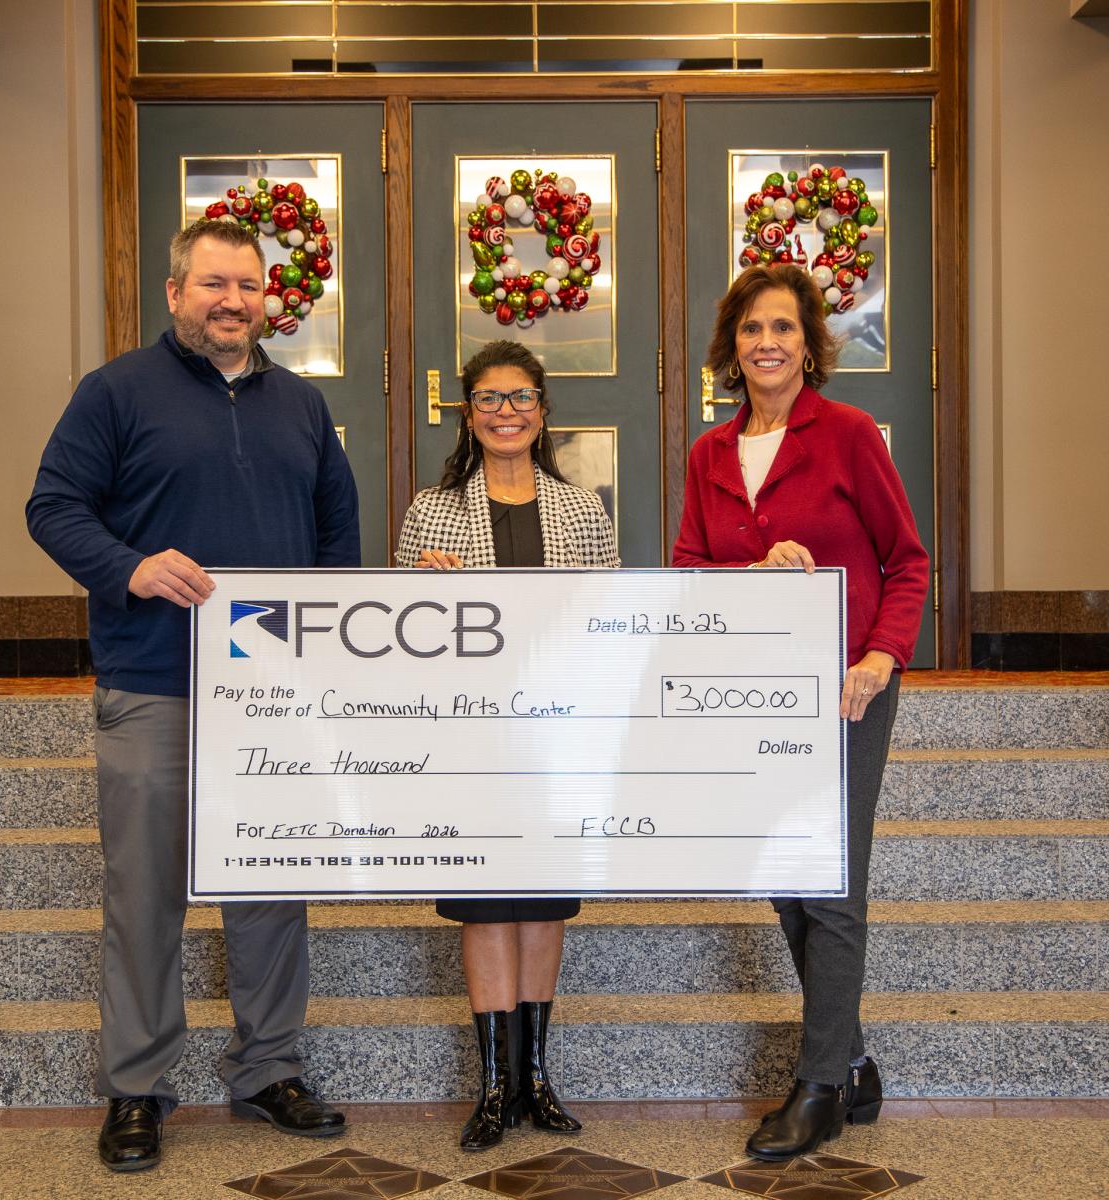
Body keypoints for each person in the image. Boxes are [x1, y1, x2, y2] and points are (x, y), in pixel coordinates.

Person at [26, 218, 360, 1172]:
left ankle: (269, 1070)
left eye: (247, 286)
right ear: (174, 292)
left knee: (272, 891)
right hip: (155, 685)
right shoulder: (115, 393)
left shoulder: (302, 406)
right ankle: (138, 1087)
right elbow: (52, 507)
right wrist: (128, 567)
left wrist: (332, 665)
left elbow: (336, 540)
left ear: (267, 299)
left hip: (274, 699)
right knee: (146, 899)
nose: (232, 301)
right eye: (213, 284)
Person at [672, 264, 929, 1162]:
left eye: (782, 327)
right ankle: (850, 1059)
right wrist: (750, 573)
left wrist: (881, 656)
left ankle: (818, 1087)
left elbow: (908, 561)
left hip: (849, 688)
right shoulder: (711, 453)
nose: (767, 342)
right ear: (732, 347)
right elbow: (687, 573)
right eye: (752, 328)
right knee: (787, 881)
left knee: (832, 884)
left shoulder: (848, 434)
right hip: (755, 693)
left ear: (809, 344)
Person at [395, 340, 619, 1150]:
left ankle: (537, 1078)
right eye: (489, 398)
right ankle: (493, 1087)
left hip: (557, 735)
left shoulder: (582, 509)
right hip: (472, 737)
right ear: (468, 413)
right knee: (486, 900)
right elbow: (396, 638)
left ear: (543, 410)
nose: (506, 412)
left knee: (546, 901)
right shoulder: (430, 511)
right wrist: (423, 590)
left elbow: (611, 622)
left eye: (521, 397)